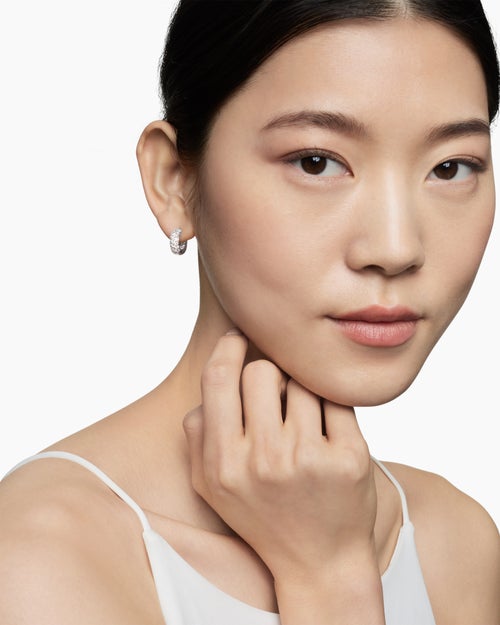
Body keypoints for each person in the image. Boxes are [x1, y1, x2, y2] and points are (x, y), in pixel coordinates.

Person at [1, 0, 499, 623]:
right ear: (172, 180)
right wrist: (327, 577)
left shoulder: (456, 539)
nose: (397, 248)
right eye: (316, 162)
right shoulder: (39, 555)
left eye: (451, 168)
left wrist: (333, 570)